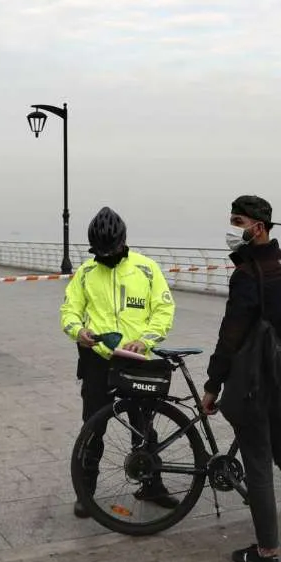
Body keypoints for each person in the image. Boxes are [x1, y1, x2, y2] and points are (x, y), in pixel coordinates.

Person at [200, 195, 281, 562]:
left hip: (251, 382)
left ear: (257, 227)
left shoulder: (246, 276)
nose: (231, 229)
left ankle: (267, 551)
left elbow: (231, 336)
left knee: (257, 461)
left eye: (237, 222)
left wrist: (213, 384)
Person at [60, 206, 179, 518]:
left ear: (123, 242)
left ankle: (152, 486)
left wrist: (146, 340)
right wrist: (78, 331)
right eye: (100, 252)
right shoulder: (85, 273)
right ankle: (85, 492)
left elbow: (164, 310)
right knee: (93, 428)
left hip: (136, 359)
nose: (106, 256)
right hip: (97, 360)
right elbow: (69, 310)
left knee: (144, 426)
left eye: (110, 250)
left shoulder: (146, 268)